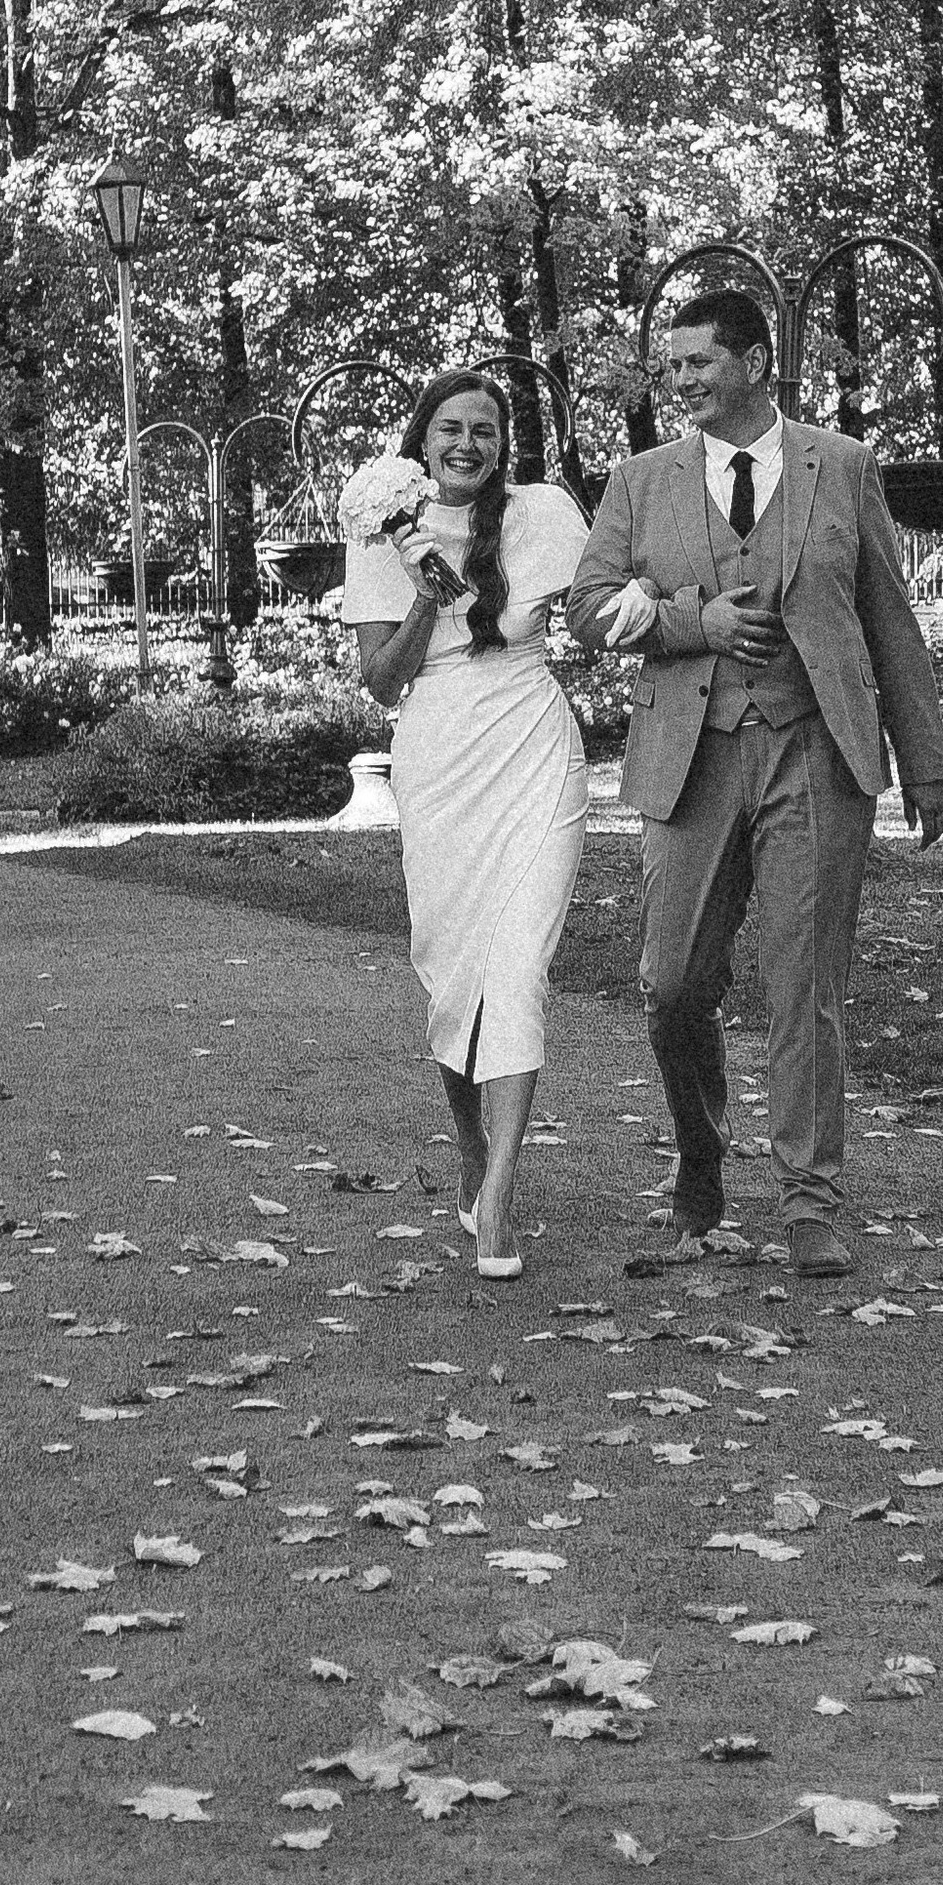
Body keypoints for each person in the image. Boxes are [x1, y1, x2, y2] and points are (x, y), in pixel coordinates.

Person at [568, 284, 943, 1278]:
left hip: (816, 751)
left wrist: (927, 764)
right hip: (689, 758)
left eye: (698, 362)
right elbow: (586, 607)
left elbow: (887, 621)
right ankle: (701, 1157)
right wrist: (689, 620)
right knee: (671, 985)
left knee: (804, 988)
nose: (681, 380)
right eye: (673, 366)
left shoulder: (843, 466)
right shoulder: (641, 481)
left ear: (754, 364)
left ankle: (809, 1204)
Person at [344, 370, 591, 1279]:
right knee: (455, 977)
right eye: (450, 427)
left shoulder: (542, 513)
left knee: (516, 967)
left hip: (531, 741)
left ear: (503, 445)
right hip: (440, 752)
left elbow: (599, 609)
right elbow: (380, 680)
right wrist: (424, 590)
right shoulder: (378, 526)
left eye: (485, 431)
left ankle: (500, 1198)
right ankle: (471, 1152)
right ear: (423, 436)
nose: (467, 444)